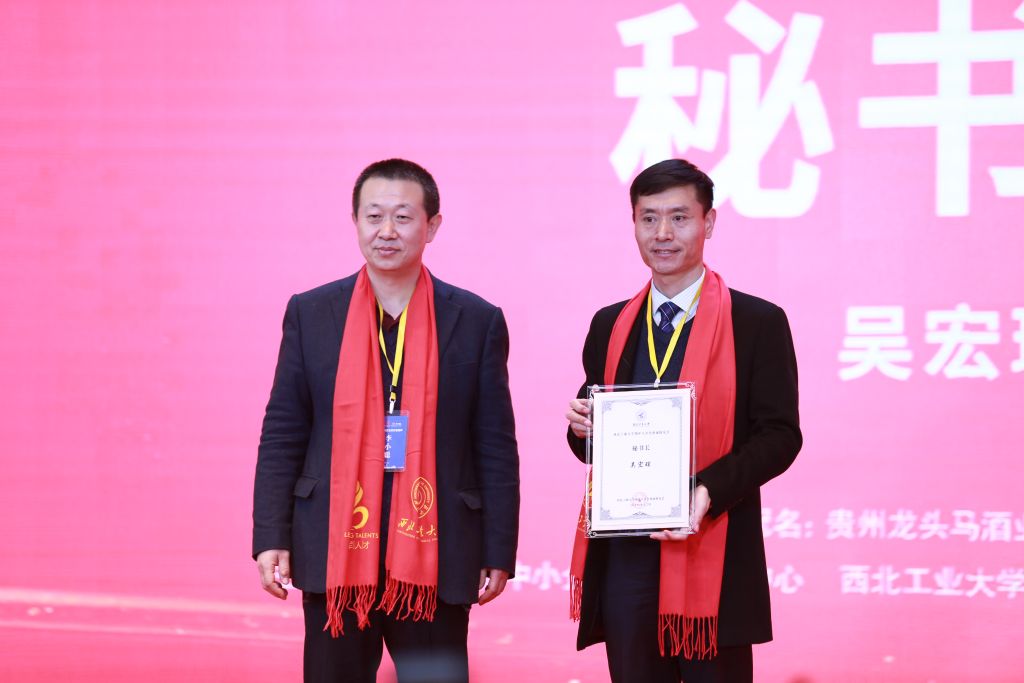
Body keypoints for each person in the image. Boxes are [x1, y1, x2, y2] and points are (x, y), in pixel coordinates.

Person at [253, 158, 520, 683]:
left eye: (403, 217)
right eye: (374, 216)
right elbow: (283, 431)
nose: (387, 231)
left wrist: (497, 548)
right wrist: (270, 534)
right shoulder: (312, 313)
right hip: (334, 543)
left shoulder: (475, 320)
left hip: (437, 547)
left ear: (432, 226)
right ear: (355, 222)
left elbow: (494, 444)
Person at [564, 159, 801, 683]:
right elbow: (592, 435)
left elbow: (780, 435)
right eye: (648, 218)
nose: (663, 234)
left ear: (708, 223)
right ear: (633, 224)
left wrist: (707, 491)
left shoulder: (756, 322)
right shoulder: (610, 323)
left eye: (679, 218)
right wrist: (582, 427)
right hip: (626, 554)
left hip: (712, 544)